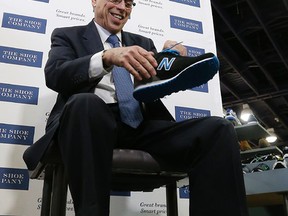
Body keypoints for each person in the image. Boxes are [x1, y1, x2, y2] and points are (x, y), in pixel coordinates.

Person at [24, 0, 249, 215]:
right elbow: (56, 75)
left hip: (140, 125)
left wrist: (166, 61)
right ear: (94, 1)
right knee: (86, 103)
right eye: (116, 0)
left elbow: (151, 87)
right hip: (91, 122)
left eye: (129, 3)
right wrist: (107, 57)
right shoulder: (67, 35)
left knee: (219, 129)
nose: (122, 7)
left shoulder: (142, 43)